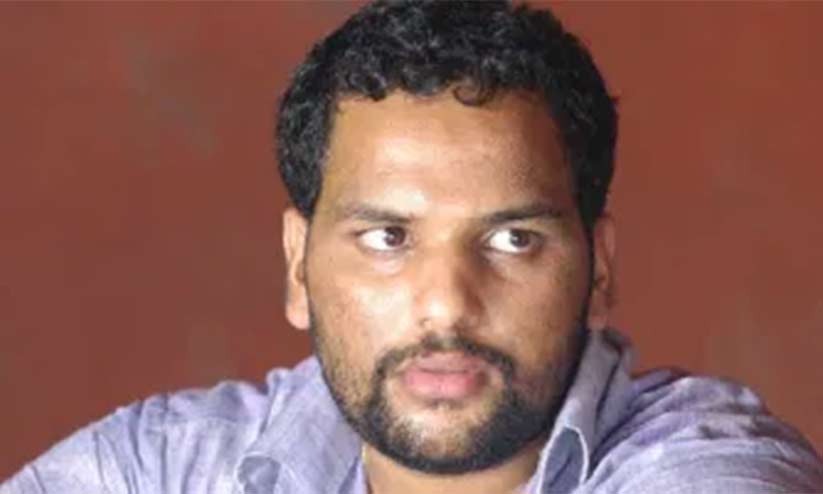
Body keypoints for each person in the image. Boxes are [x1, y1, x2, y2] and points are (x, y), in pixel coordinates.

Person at [3, 1, 823, 493]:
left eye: (511, 238)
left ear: (597, 268)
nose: (445, 304)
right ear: (298, 267)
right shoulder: (165, 466)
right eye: (387, 238)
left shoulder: (705, 466)